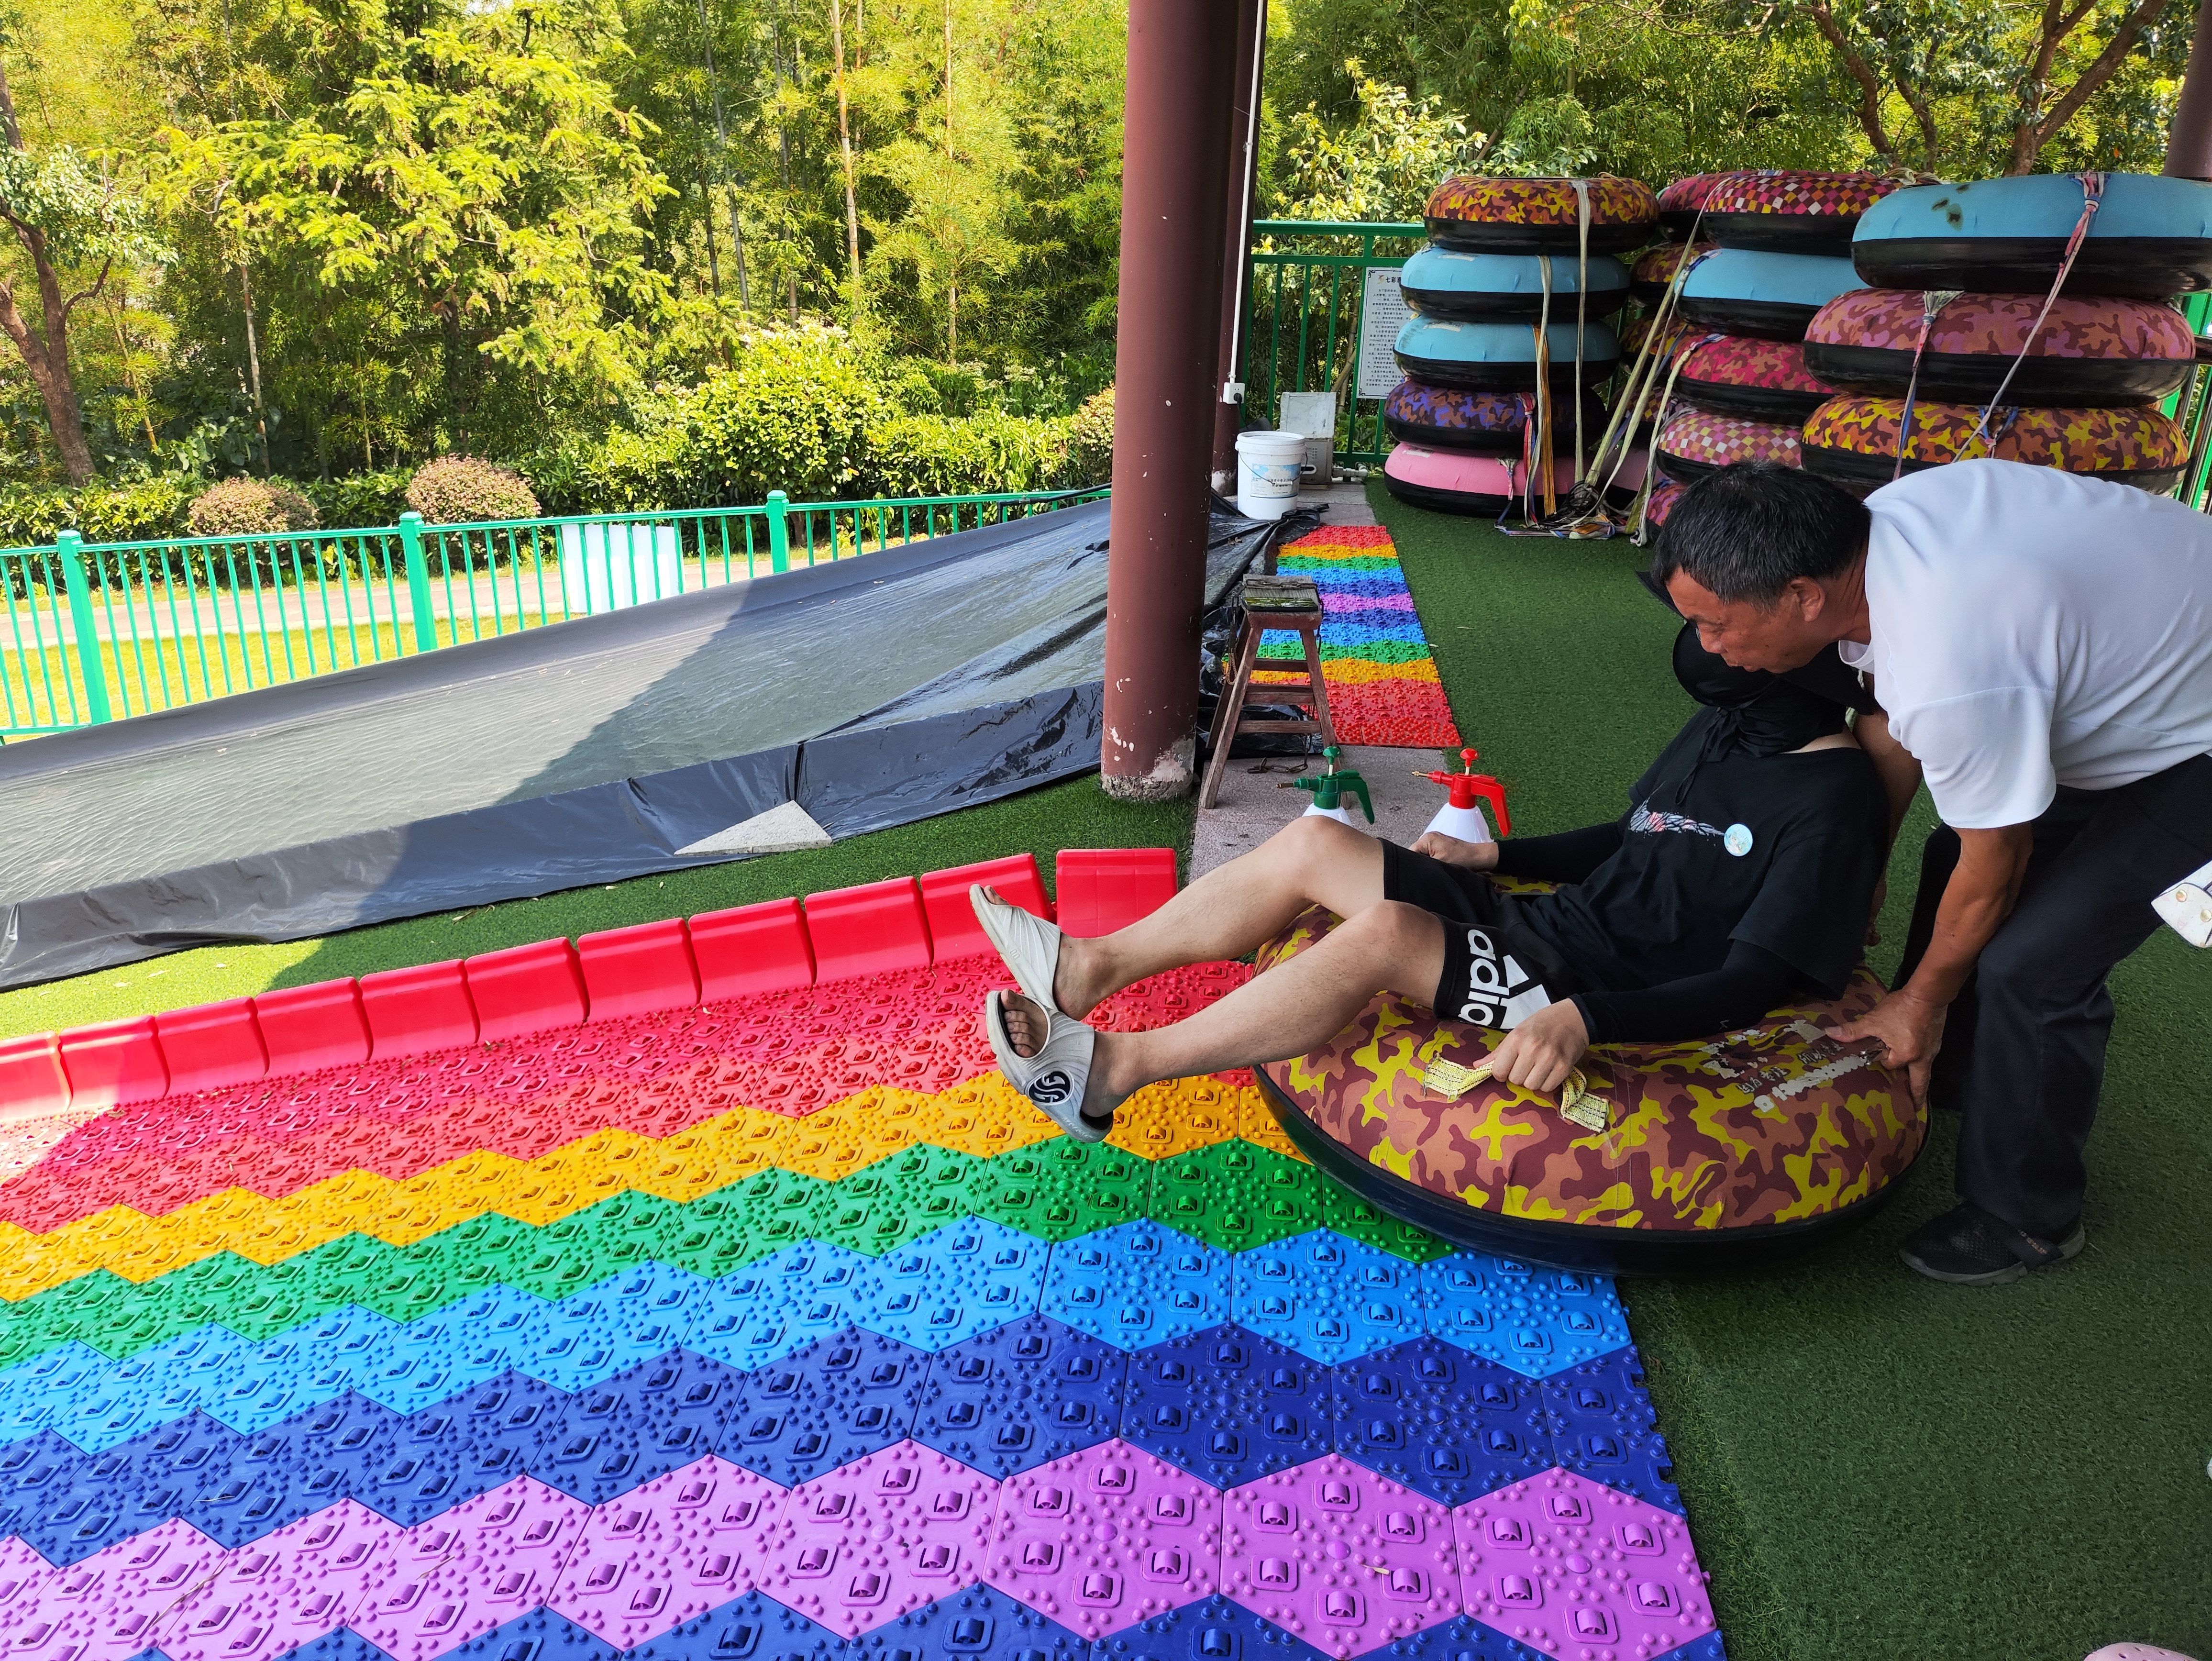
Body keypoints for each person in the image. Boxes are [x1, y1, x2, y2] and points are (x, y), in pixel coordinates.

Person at [970, 624, 1887, 1148]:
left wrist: (1587, 1018)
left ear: (1792, 669)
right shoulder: (1730, 727)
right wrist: (1499, 858)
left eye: (1728, 636)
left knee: (1381, 934)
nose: (1710, 647)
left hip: (1586, 982)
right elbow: (1631, 837)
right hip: (1548, 921)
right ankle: (1089, 969)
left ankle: (1110, 1074)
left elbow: (1754, 983)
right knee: (1316, 841)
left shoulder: (1834, 797)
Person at [1651, 458, 2212, 1286]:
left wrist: (1922, 997)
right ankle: (1954, 1067)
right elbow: (1896, 724)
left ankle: (2026, 1220)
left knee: (2037, 964)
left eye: (1715, 625)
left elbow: (1999, 857)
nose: (1711, 649)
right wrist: (1865, 870)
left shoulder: (1950, 660)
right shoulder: (1883, 529)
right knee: (1954, 856)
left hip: (2195, 742)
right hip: (2138, 667)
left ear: (1802, 596)